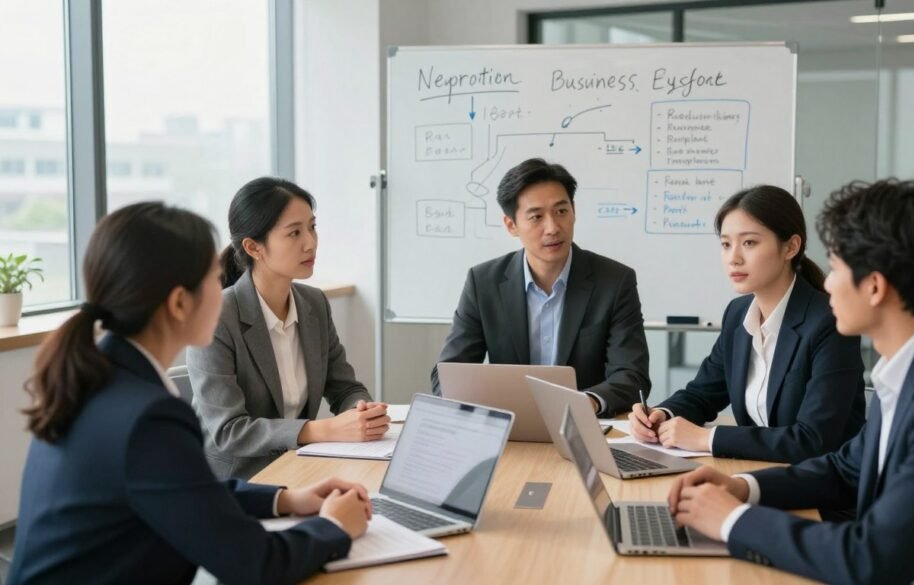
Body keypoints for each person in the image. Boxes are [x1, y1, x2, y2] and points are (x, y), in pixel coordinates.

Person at [668, 179, 914, 584]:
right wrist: (742, 487)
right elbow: (845, 470)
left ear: (875, 286)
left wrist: (732, 521)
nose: (829, 283)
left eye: (836, 267)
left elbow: (871, 559)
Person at [10, 203, 371, 585]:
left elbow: (187, 494)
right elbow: (256, 564)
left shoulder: (99, 375)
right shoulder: (148, 417)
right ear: (180, 303)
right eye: (215, 280)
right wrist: (334, 526)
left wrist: (284, 499)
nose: (225, 292)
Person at [629, 185, 865, 463]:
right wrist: (661, 415)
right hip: (758, 471)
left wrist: (707, 438)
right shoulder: (738, 314)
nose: (734, 258)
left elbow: (812, 440)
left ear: (791, 246)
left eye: (749, 243)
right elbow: (702, 394)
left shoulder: (829, 322)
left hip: (821, 491)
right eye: (726, 244)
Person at [187, 177, 389, 480]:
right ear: (254, 247)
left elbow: (344, 387)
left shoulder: (314, 304)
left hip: (300, 468)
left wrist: (361, 411)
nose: (310, 242)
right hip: (237, 483)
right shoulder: (215, 318)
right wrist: (321, 430)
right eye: (294, 232)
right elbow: (229, 431)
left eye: (312, 227)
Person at [430, 158, 650, 416]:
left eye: (561, 211)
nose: (553, 228)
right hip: (512, 428)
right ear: (511, 225)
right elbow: (448, 373)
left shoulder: (614, 281)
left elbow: (632, 376)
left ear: (574, 211)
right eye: (536, 217)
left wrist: (585, 403)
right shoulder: (484, 283)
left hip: (586, 426)